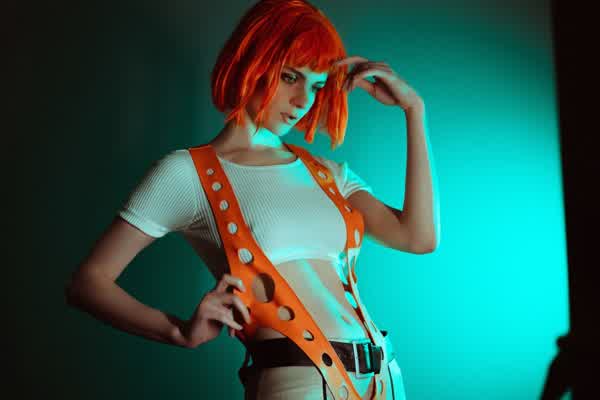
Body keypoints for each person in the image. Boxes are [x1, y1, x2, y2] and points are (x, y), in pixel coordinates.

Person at [64, 0, 439, 399]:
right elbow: (88, 283)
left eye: (315, 86)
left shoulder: (329, 174)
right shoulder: (187, 174)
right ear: (253, 62)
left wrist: (414, 111)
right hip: (297, 382)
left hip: (385, 379)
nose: (303, 100)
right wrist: (180, 332)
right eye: (290, 77)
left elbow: (418, 238)